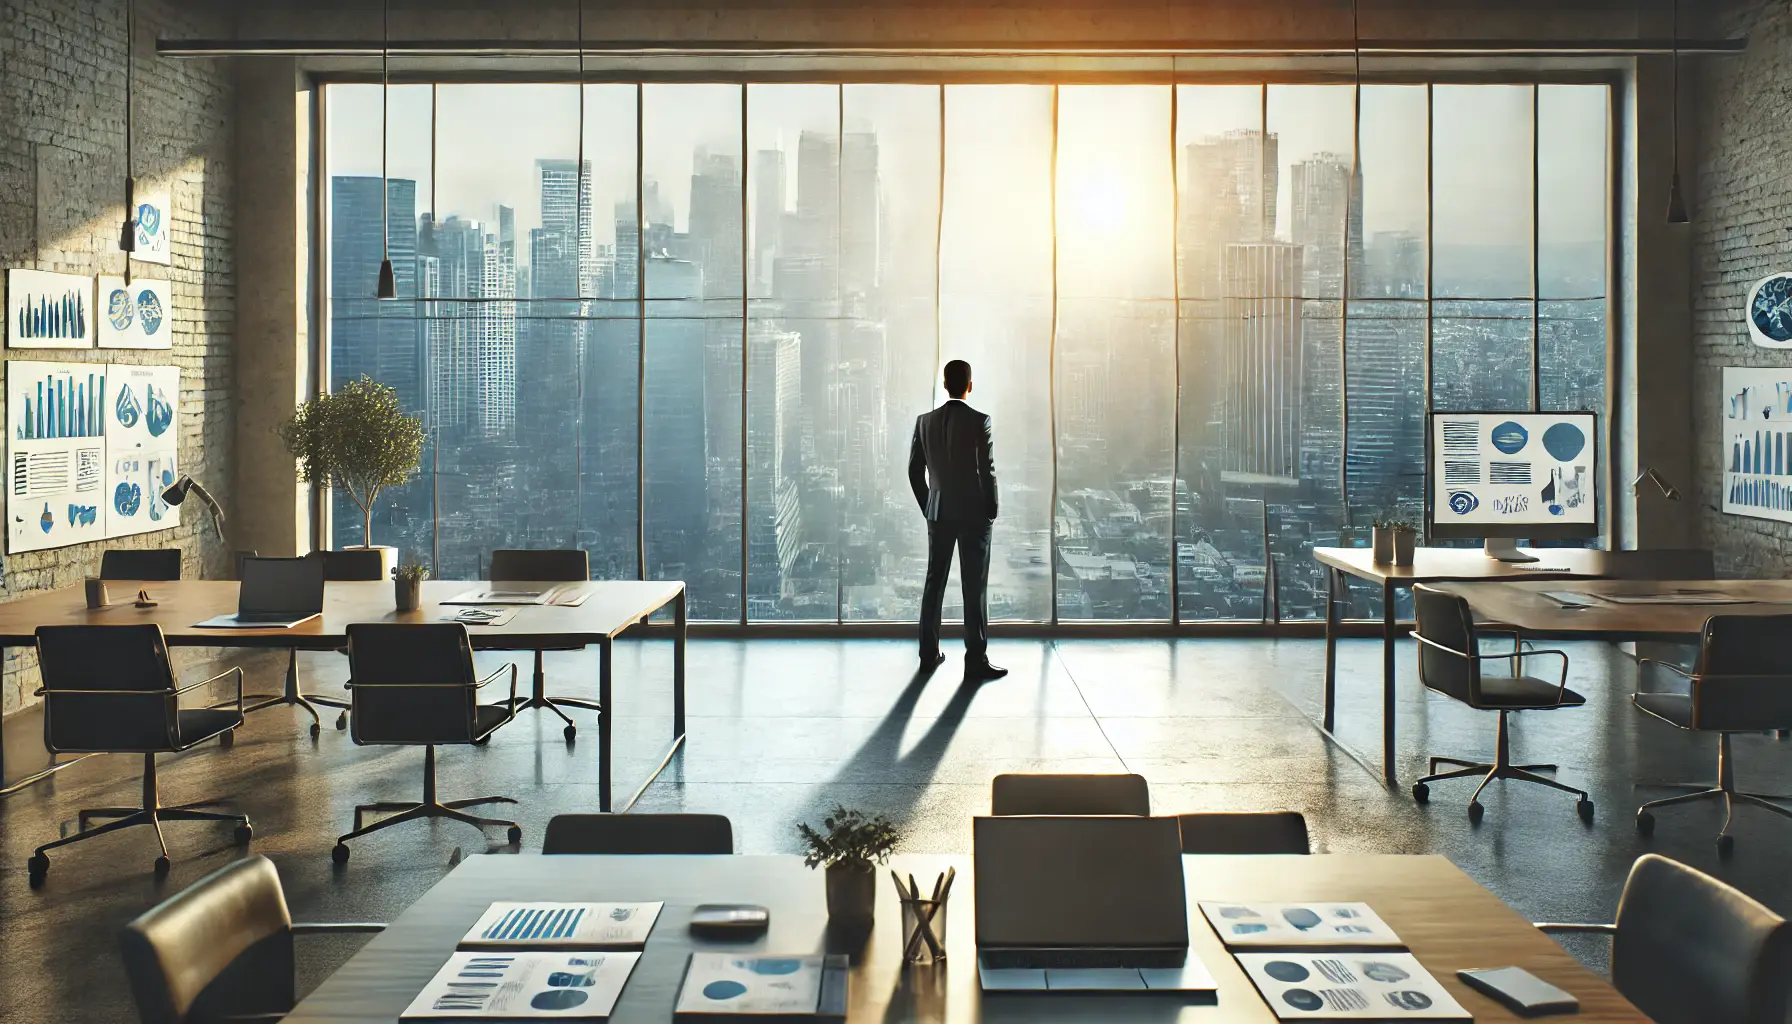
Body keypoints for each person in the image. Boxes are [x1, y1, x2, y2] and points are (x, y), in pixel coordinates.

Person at [908, 359, 1007, 680]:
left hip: (939, 513)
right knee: (973, 587)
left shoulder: (924, 422)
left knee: (933, 582)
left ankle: (928, 654)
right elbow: (986, 471)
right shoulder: (981, 421)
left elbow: (914, 471)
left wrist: (929, 505)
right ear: (969, 385)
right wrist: (991, 509)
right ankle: (975, 660)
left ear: (944, 383)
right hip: (974, 514)